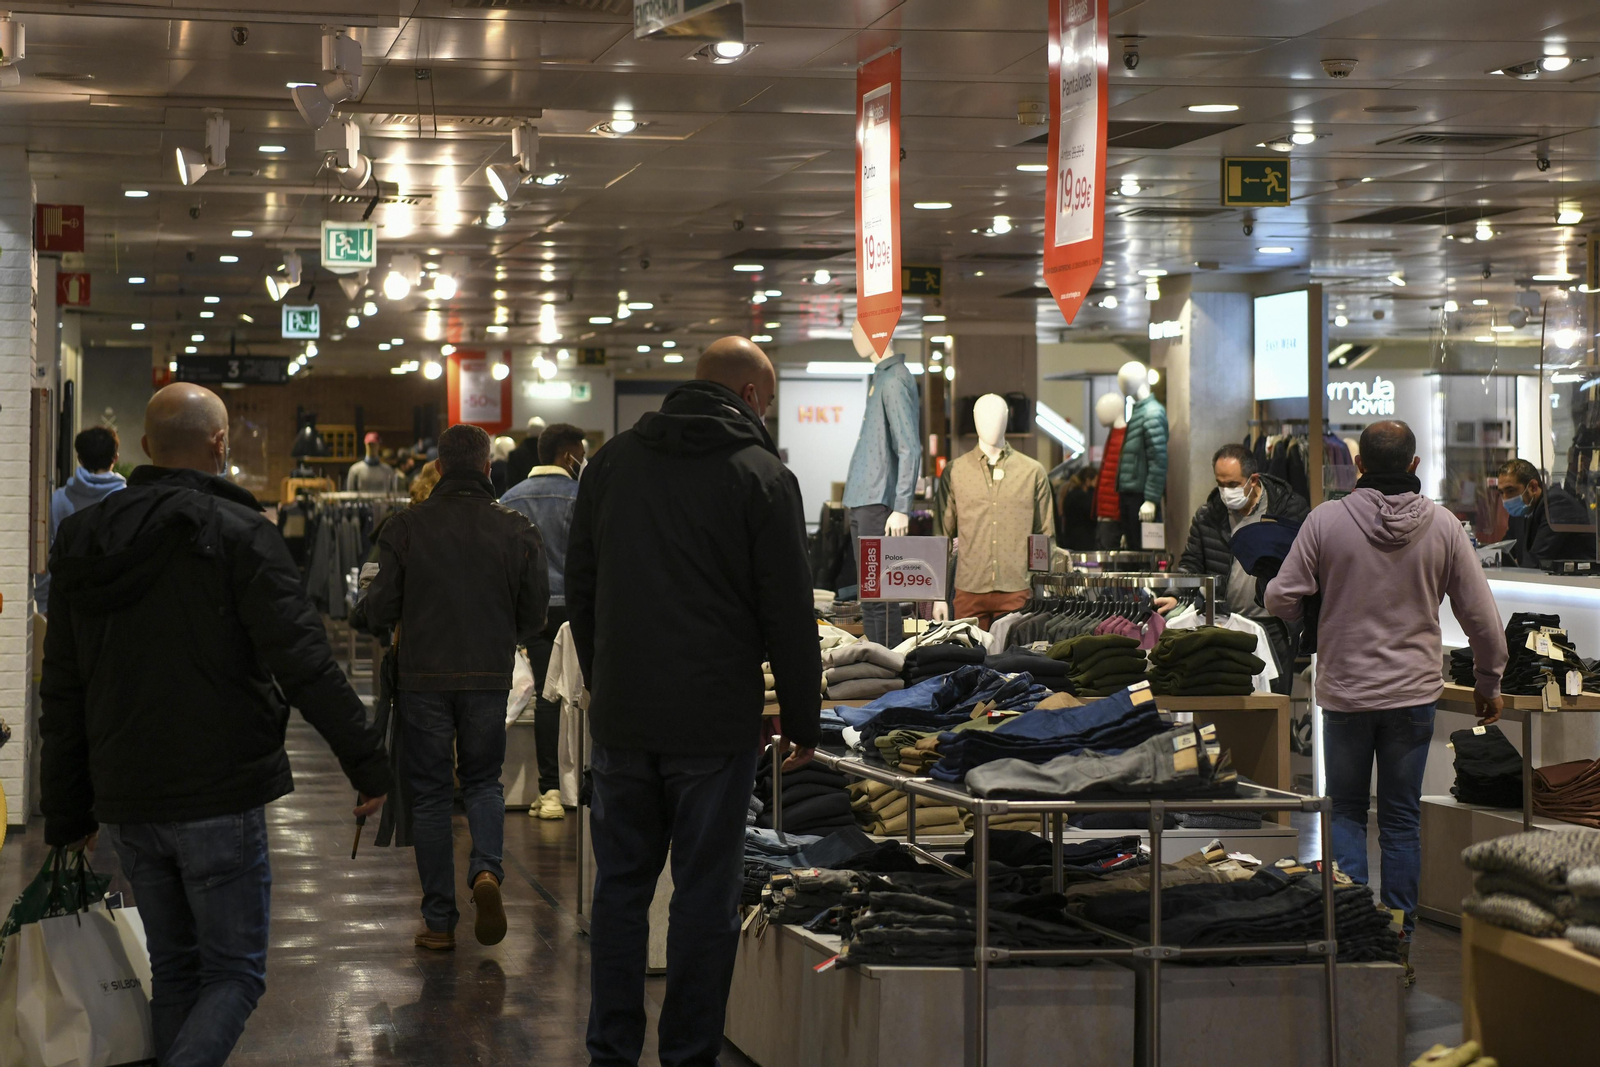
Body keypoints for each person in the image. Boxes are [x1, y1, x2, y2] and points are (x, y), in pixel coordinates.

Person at [40, 383, 391, 1067]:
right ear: (221, 445)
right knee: (234, 974)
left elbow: (63, 685)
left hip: (127, 796)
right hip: (219, 794)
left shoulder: (84, 537)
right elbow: (306, 662)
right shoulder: (241, 534)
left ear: (143, 448)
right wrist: (369, 762)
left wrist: (66, 808)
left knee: (174, 970)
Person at [568, 336, 821, 1067]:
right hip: (715, 726)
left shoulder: (612, 464)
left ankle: (610, 1050)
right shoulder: (763, 476)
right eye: (768, 401)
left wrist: (603, 675)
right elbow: (788, 614)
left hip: (624, 720)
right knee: (703, 900)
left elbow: (579, 589)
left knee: (619, 893)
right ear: (749, 396)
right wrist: (802, 718)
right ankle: (688, 1055)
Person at [1265, 420, 1506, 983]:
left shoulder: (1326, 520)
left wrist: (1311, 614)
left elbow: (1281, 596)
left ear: (1359, 466)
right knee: (1399, 821)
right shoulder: (1444, 526)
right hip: (1412, 697)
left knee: (1346, 812)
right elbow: (1484, 623)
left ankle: (1353, 939)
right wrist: (1489, 686)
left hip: (1347, 693)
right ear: (1416, 465)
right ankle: (1398, 938)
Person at [361, 423, 549, 951]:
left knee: (431, 793)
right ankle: (486, 872)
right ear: (488, 467)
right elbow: (533, 617)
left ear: (438, 467)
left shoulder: (404, 527)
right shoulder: (518, 528)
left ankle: (439, 920)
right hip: (489, 674)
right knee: (484, 782)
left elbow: (377, 606)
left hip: (422, 677)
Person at [499, 421, 586, 821]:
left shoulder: (509, 499)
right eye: (580, 454)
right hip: (578, 608)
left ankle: (549, 788)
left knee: (546, 698)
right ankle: (580, 786)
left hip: (531, 611)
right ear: (568, 455)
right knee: (581, 696)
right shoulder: (583, 496)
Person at [1176, 443, 1309, 688]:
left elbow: (1306, 564)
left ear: (1253, 479)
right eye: (1220, 483)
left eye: (1233, 484)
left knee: (1274, 703)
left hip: (1273, 624)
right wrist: (1174, 596)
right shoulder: (1208, 515)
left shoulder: (1289, 510)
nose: (1225, 492)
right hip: (1224, 623)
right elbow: (1192, 562)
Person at [39, 425, 126, 610]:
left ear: (79, 458)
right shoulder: (126, 499)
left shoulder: (60, 498)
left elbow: (47, 554)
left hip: (69, 601)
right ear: (115, 458)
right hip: (115, 601)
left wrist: (44, 604)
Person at [1497, 457, 1596, 568]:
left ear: (1533, 487)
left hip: (1580, 581)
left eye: (1510, 490)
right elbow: (1505, 551)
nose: (1505, 498)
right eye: (1501, 492)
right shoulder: (1520, 512)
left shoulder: (1557, 503)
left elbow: (1537, 560)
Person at [505, 415, 547, 489]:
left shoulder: (515, 454)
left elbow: (511, 482)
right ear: (543, 431)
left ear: (528, 431)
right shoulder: (549, 453)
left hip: (520, 495)